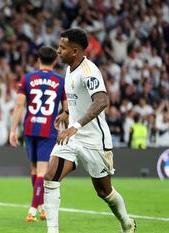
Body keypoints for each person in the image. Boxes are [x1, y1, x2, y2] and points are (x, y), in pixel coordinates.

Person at [44, 28, 136, 233]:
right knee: (50, 177)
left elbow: (102, 101)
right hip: (72, 138)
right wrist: (68, 114)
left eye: (62, 48)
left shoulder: (89, 71)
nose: (58, 51)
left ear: (75, 51)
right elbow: (79, 100)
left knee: (104, 191)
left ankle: (126, 223)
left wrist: (75, 126)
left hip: (94, 141)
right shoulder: (69, 69)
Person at [10, 46, 68, 223]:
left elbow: (20, 105)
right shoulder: (61, 81)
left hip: (29, 129)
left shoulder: (27, 78)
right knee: (42, 172)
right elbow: (66, 109)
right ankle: (33, 209)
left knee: (35, 170)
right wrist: (66, 129)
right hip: (48, 131)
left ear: (38, 60)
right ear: (56, 61)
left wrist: (12, 130)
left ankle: (41, 207)